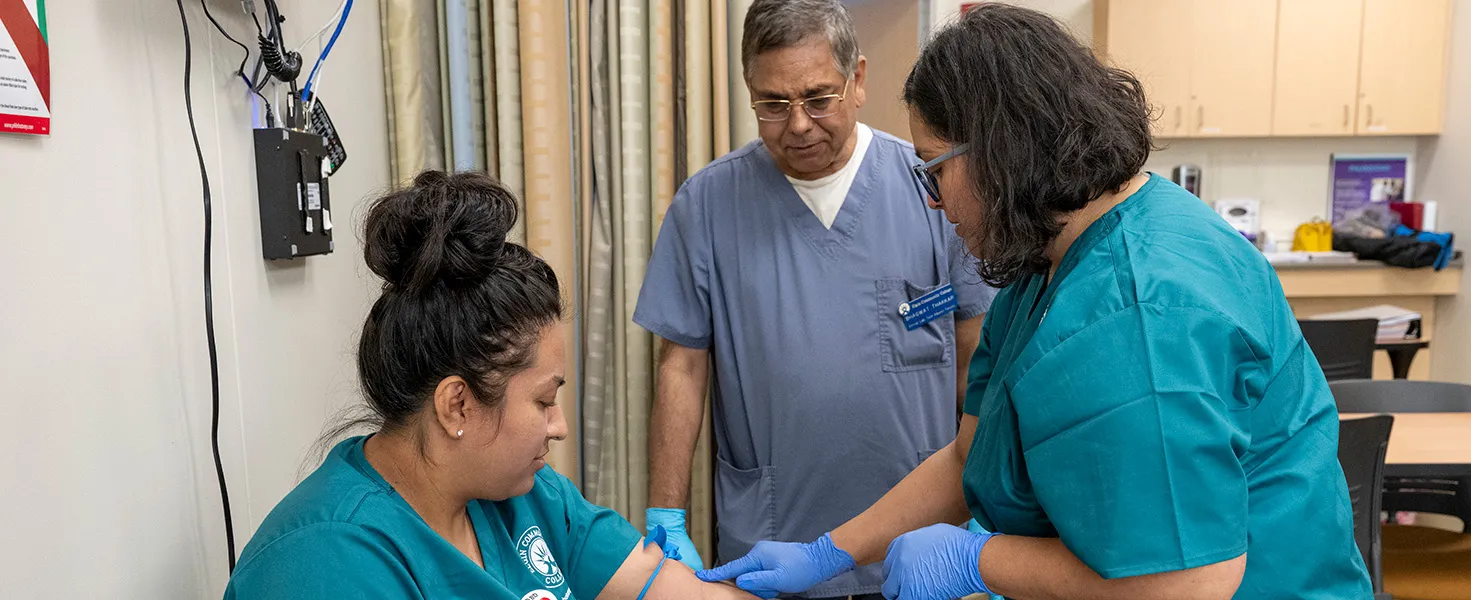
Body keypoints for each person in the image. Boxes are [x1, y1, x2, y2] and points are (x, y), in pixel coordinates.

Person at [699, 6, 1374, 600]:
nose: (935, 204)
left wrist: (978, 562)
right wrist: (830, 552)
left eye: (935, 171)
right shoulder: (1043, 264)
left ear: (1001, 151)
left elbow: (1185, 582)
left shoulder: (1139, 311)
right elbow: (970, 455)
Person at [224, 172, 754, 600]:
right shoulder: (324, 564)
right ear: (457, 405)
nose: (560, 427)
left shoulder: (527, 495)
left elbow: (675, 591)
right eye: (544, 401)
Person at [633, 0, 995, 598]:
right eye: (773, 105)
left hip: (918, 544)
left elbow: (975, 356)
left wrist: (989, 496)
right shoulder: (706, 205)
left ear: (857, 80)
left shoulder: (933, 186)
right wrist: (665, 515)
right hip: (773, 545)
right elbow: (682, 367)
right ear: (749, 91)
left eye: (818, 98)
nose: (797, 124)